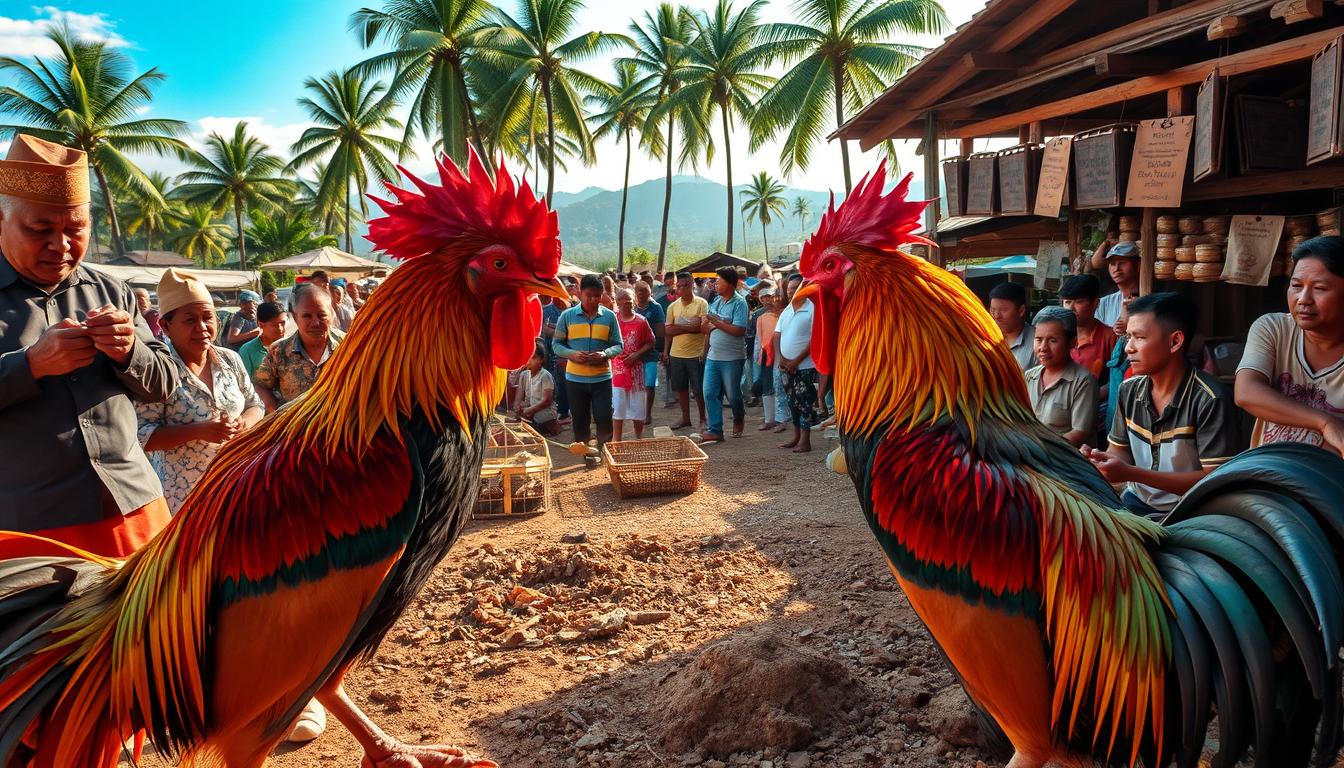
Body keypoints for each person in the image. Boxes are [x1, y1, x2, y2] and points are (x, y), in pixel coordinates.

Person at [0, 134, 179, 558]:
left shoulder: (111, 290)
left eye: (75, 230)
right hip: (31, 528)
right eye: (40, 229)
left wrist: (129, 352)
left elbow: (164, 383)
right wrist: (31, 365)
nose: (61, 245)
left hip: (135, 509)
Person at [1084, 292, 1238, 518]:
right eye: (1128, 337)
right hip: (1137, 502)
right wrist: (1104, 462)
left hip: (1192, 512)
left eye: (1139, 337)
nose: (1128, 348)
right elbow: (1120, 451)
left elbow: (1211, 479)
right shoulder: (1129, 390)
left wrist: (1131, 473)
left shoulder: (1209, 398)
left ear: (1175, 341)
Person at [136, 269, 264, 513]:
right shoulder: (158, 371)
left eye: (208, 317)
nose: (202, 327)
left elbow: (254, 403)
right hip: (184, 499)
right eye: (190, 320)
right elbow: (143, 436)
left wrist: (244, 423)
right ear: (166, 325)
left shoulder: (229, 359)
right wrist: (200, 431)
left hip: (237, 487)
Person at [1236, 235, 1344, 453]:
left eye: (1320, 288)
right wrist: (1325, 422)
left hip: (1330, 482)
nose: (1303, 298)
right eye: (1296, 285)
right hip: (1268, 474)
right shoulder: (1274, 329)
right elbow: (1246, 392)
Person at [552, 274, 623, 458]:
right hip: (575, 380)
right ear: (580, 293)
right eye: (589, 295)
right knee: (580, 421)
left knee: (604, 417)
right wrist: (572, 354)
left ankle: (603, 452)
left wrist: (605, 354)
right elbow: (556, 345)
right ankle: (588, 455)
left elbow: (618, 345)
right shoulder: (567, 316)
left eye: (598, 296)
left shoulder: (609, 317)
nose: (594, 300)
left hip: (602, 379)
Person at [253, 283, 345, 411]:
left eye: (322, 315)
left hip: (341, 428)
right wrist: (272, 409)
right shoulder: (279, 351)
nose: (315, 323)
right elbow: (260, 385)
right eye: (307, 316)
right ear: (295, 317)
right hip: (293, 429)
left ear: (331, 314)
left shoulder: (350, 347)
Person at [1024, 306, 1096, 447]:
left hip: (1065, 460)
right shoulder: (1029, 376)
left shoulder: (1083, 381)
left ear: (1072, 342)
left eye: (1052, 340)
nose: (1043, 348)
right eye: (1038, 339)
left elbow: (1080, 432)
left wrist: (1039, 449)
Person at [699, 267, 750, 443]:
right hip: (713, 356)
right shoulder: (716, 302)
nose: (715, 284)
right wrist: (706, 325)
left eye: (719, 281)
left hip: (732, 357)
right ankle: (715, 430)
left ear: (730, 283)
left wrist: (716, 322)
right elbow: (706, 329)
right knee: (709, 393)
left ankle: (738, 416)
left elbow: (739, 330)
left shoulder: (740, 303)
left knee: (733, 395)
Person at [775, 276, 818, 452]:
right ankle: (796, 436)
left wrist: (796, 361)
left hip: (805, 366)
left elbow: (815, 339)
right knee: (792, 403)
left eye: (795, 287)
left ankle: (805, 441)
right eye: (789, 289)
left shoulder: (813, 309)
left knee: (805, 402)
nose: (792, 291)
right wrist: (780, 358)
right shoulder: (786, 310)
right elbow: (777, 335)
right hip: (786, 366)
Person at [665, 271, 709, 431]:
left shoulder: (701, 304)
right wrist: (690, 326)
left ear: (692, 286)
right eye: (679, 286)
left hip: (696, 354)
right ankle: (685, 418)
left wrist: (680, 327)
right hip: (676, 354)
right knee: (681, 388)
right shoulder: (672, 307)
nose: (682, 289)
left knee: (698, 389)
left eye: (685, 286)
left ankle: (703, 418)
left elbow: (703, 328)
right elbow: (668, 331)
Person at [612, 288, 655, 441]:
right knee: (618, 408)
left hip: (636, 371)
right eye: (622, 303)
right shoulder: (612, 320)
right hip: (617, 371)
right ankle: (617, 441)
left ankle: (638, 438)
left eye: (629, 302)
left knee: (638, 408)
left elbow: (651, 341)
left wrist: (637, 354)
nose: (626, 306)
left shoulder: (641, 322)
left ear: (634, 302)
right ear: (617, 303)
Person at [1059, 273, 1116, 382]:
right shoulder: (1058, 335)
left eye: (1078, 302)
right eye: (1067, 302)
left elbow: (1115, 382)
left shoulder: (1110, 337)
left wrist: (1088, 395)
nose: (1071, 308)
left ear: (1095, 303)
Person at [633, 280, 665, 424]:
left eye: (644, 290)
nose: (641, 293)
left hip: (650, 352)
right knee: (636, 385)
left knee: (649, 384)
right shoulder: (631, 307)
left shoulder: (656, 308)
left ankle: (647, 413)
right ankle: (637, 411)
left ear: (649, 292)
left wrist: (661, 350)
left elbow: (660, 332)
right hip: (633, 352)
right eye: (638, 290)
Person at [513, 345, 561, 436]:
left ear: (542, 359)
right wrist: (517, 408)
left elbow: (546, 401)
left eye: (533, 358)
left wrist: (527, 411)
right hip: (529, 410)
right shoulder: (524, 375)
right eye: (528, 357)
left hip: (545, 412)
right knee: (517, 418)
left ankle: (551, 427)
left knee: (534, 423)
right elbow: (518, 396)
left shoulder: (545, 375)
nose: (529, 360)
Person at [988, 281, 1034, 371]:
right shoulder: (986, 339)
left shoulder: (1037, 342)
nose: (996, 316)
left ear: (1021, 310)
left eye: (1003, 310)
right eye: (993, 310)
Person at [755, 283, 782, 430]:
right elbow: (759, 338)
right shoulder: (761, 317)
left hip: (780, 352)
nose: (767, 300)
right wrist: (759, 354)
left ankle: (781, 418)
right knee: (767, 385)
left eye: (769, 297)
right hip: (766, 353)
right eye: (763, 298)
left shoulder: (783, 314)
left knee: (779, 384)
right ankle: (769, 418)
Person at [1095, 241, 1141, 327]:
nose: (1116, 268)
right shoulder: (1103, 304)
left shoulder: (1150, 299)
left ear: (1138, 266)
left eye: (1122, 263)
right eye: (1112, 264)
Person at [238, 300, 288, 380]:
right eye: (274, 325)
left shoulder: (293, 346)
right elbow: (245, 383)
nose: (280, 329)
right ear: (260, 324)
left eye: (283, 323)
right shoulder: (247, 351)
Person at [540, 293, 571, 422]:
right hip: (548, 354)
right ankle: (558, 412)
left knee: (564, 384)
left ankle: (564, 413)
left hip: (565, 355)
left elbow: (570, 333)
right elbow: (543, 330)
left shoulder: (571, 311)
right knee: (551, 384)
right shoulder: (545, 310)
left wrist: (552, 331)